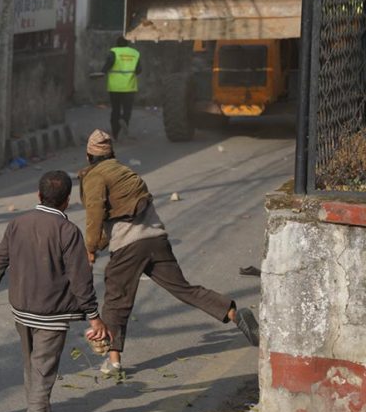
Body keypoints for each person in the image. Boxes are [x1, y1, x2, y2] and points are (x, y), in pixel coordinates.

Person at [79, 129, 259, 377]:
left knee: (116, 300)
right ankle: (234, 314)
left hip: (129, 244)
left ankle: (114, 361)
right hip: (156, 238)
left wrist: (90, 248)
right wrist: (97, 245)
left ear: (89, 157)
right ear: (112, 154)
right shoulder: (124, 171)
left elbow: (95, 213)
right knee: (184, 289)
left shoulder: (95, 176)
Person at [0, 171, 110, 412]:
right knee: (43, 372)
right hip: (52, 314)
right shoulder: (67, 230)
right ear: (67, 201)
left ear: (39, 195)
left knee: (32, 367)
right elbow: (80, 279)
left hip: (22, 310)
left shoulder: (17, 223)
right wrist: (94, 316)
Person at [101, 36, 141, 140]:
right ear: (127, 43)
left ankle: (115, 133)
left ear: (117, 43)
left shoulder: (114, 52)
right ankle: (124, 120)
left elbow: (107, 65)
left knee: (115, 109)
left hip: (115, 87)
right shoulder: (134, 53)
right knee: (127, 109)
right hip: (129, 87)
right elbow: (139, 70)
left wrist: (102, 72)